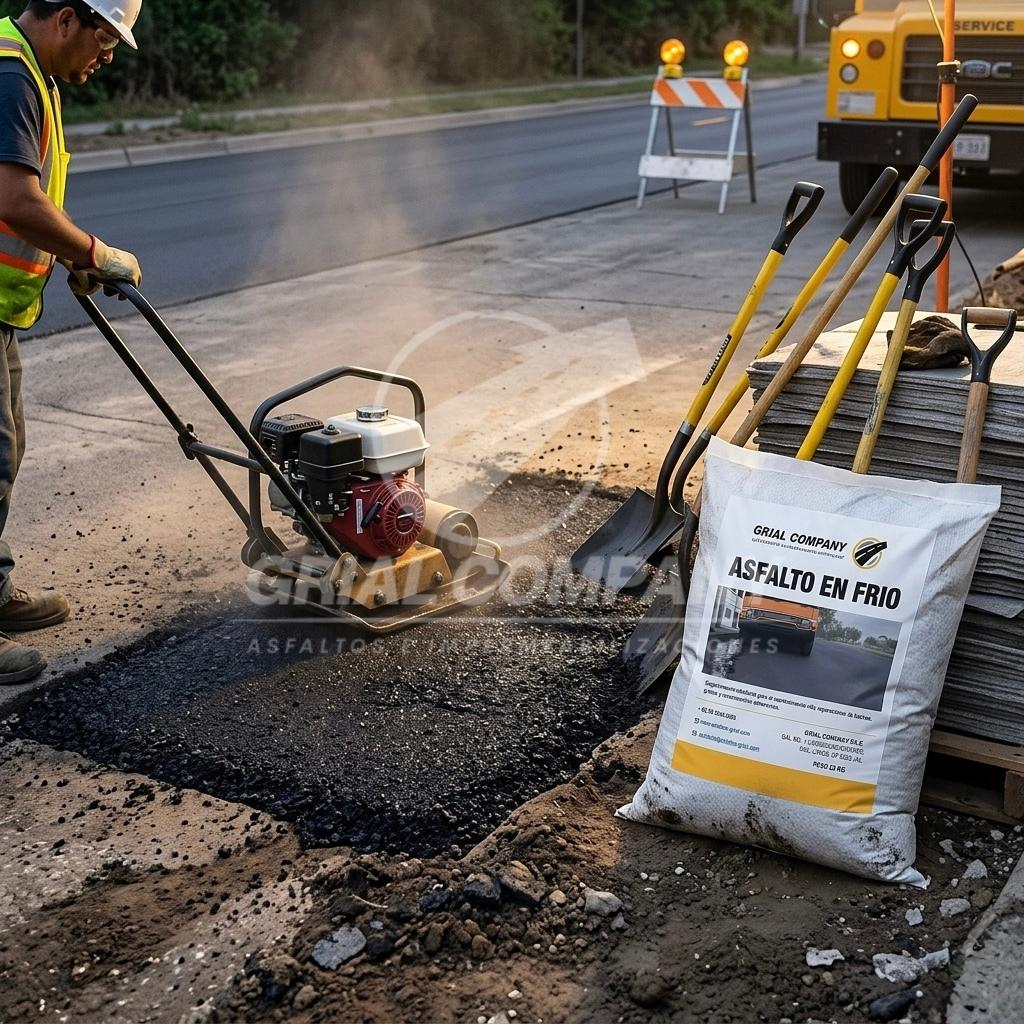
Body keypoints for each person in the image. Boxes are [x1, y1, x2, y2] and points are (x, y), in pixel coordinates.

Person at [0, 0, 142, 684]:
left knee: (7, 448)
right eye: (105, 41)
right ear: (66, 19)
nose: (106, 58)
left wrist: (70, 256)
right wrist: (94, 251)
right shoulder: (11, 74)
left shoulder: (34, 74)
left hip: (0, 309)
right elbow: (15, 200)